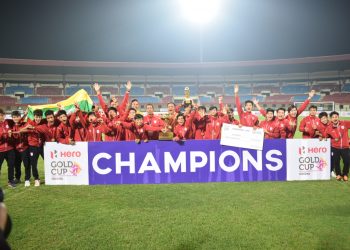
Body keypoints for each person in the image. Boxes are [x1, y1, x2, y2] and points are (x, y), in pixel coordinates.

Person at [325, 111, 350, 181]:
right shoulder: (329, 127)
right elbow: (325, 136)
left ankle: (345, 174)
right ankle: (338, 174)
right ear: (331, 119)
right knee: (336, 161)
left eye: (336, 117)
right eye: (333, 117)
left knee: (347, 161)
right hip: (335, 147)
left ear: (338, 117)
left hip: (345, 147)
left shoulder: (344, 123)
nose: (335, 118)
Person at [0, 109, 16, 188]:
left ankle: (11, 181)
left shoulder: (7, 122)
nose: (2, 117)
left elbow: (17, 120)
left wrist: (26, 114)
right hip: (0, 150)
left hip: (10, 148)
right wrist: (4, 133)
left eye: (3, 115)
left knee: (11, 165)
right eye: (1, 115)